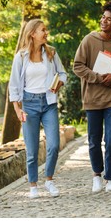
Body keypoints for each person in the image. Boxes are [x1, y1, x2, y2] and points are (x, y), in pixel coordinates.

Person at [73, 1, 111, 193]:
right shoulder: (88, 40)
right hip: (92, 98)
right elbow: (78, 66)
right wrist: (97, 77)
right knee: (94, 140)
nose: (104, 21)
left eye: (109, 19)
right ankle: (97, 175)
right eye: (103, 17)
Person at [9, 19, 67, 198]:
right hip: (29, 105)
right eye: (43, 30)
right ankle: (33, 185)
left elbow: (63, 73)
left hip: (48, 103)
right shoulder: (20, 56)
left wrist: (58, 84)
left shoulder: (51, 52)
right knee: (32, 149)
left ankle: (49, 180)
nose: (46, 32)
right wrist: (17, 109)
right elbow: (14, 84)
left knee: (54, 145)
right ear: (32, 33)